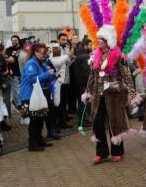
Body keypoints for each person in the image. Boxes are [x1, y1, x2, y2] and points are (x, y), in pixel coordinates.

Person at [81, 25, 141, 164]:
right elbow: (92, 75)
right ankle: (101, 153)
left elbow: (126, 75)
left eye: (101, 39)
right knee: (97, 122)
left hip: (114, 95)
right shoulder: (96, 55)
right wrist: (87, 91)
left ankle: (117, 151)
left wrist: (132, 93)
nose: (98, 41)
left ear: (108, 40)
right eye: (98, 39)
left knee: (115, 122)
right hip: (98, 95)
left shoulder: (117, 56)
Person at [20, 43, 57, 152]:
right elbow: (32, 79)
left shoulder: (42, 63)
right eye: (42, 53)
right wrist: (47, 74)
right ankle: (32, 143)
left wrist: (53, 75)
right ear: (35, 52)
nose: (45, 55)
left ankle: (39, 140)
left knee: (40, 118)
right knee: (35, 120)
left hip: (39, 95)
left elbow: (45, 78)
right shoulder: (31, 64)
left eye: (46, 53)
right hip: (30, 95)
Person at [71, 39, 92, 127]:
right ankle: (82, 122)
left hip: (80, 82)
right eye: (90, 45)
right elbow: (86, 72)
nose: (92, 47)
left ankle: (82, 120)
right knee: (84, 104)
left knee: (82, 103)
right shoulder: (85, 56)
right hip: (85, 83)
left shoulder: (79, 54)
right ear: (85, 45)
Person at [55, 33, 73, 130]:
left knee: (63, 102)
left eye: (66, 40)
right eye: (63, 39)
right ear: (58, 40)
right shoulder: (56, 49)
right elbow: (57, 63)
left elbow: (67, 64)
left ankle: (62, 121)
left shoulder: (64, 49)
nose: (65, 41)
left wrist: (71, 58)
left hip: (66, 79)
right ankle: (59, 123)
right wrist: (67, 55)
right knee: (59, 103)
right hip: (59, 81)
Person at [5, 35, 22, 114]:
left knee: (22, 89)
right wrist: (8, 68)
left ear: (18, 40)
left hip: (22, 72)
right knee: (15, 89)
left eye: (15, 40)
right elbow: (6, 60)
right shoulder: (8, 49)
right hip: (13, 72)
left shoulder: (23, 48)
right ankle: (18, 105)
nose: (14, 41)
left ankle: (22, 102)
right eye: (13, 40)